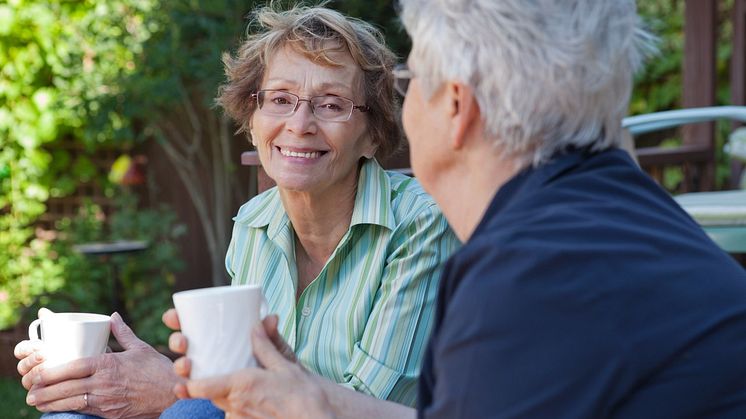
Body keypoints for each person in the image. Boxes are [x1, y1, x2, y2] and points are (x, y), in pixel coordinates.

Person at [169, 0, 746, 417]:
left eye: (412, 78)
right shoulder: (616, 210)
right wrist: (309, 396)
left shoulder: (524, 278)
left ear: (456, 107)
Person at [14, 5, 459, 418]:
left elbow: (365, 404)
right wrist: (136, 377)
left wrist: (174, 387)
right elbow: (238, 377)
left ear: (372, 135)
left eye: (331, 105)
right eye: (280, 99)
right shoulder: (253, 225)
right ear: (253, 119)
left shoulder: (420, 223)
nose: (300, 125)